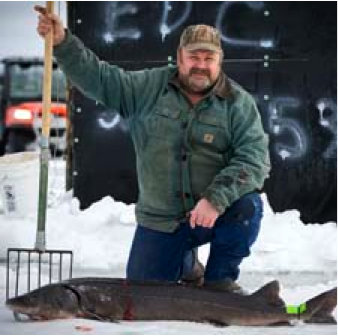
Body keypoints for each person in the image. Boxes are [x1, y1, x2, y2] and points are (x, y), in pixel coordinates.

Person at [36, 6, 271, 294]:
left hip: (213, 213)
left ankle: (219, 281)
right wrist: (62, 42)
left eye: (208, 58)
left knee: (248, 205)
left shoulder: (239, 103)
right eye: (193, 57)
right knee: (143, 291)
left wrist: (215, 198)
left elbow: (255, 159)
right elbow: (101, 79)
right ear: (179, 57)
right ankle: (187, 266)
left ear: (220, 60)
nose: (200, 65)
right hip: (162, 220)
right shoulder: (147, 87)